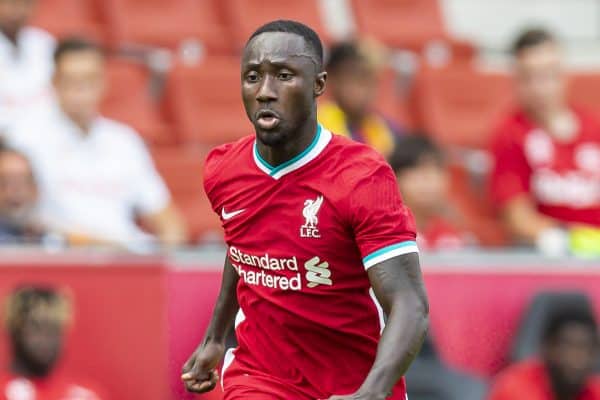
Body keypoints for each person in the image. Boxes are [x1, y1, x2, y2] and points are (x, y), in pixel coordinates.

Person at [181, 20, 429, 400]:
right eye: (252, 77)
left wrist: (373, 392)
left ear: (318, 85)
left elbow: (410, 304)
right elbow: (243, 246)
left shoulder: (361, 178)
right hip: (260, 376)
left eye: (283, 75)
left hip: (353, 386)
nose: (265, 91)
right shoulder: (223, 168)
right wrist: (215, 337)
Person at [6, 37, 186, 250]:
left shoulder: (125, 141)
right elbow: (19, 217)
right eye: (72, 80)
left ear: (103, 82)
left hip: (131, 261)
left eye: (89, 79)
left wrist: (167, 253)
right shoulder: (24, 137)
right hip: (61, 259)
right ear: (54, 82)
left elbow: (167, 219)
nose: (81, 90)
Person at [489, 28, 600, 254]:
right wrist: (569, 240)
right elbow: (516, 216)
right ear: (517, 81)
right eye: (530, 78)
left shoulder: (594, 126)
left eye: (550, 75)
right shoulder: (510, 135)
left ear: (565, 75)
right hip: (552, 257)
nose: (541, 88)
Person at [0, 286, 104, 399]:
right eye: (37, 328)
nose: (47, 338)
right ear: (15, 332)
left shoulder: (83, 395)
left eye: (54, 329)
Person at [488, 306, 600, 400]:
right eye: (568, 346)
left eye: (587, 349)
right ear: (547, 347)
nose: (578, 358)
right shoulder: (514, 388)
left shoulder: (594, 390)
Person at [318, 40, 403, 158]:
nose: (366, 89)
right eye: (357, 79)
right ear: (332, 80)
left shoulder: (388, 129)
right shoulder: (315, 130)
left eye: (371, 80)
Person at [389, 135, 474, 251]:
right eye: (416, 171)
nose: (426, 180)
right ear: (395, 179)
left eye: (434, 170)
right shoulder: (386, 237)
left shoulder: (461, 237)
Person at [0, 0, 55, 132]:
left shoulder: (44, 43)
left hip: (49, 135)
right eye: (11, 4)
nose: (17, 12)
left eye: (25, 3)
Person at [0, 142, 44, 244]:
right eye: (5, 182)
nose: (14, 191)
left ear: (35, 190)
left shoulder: (53, 240)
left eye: (23, 181)